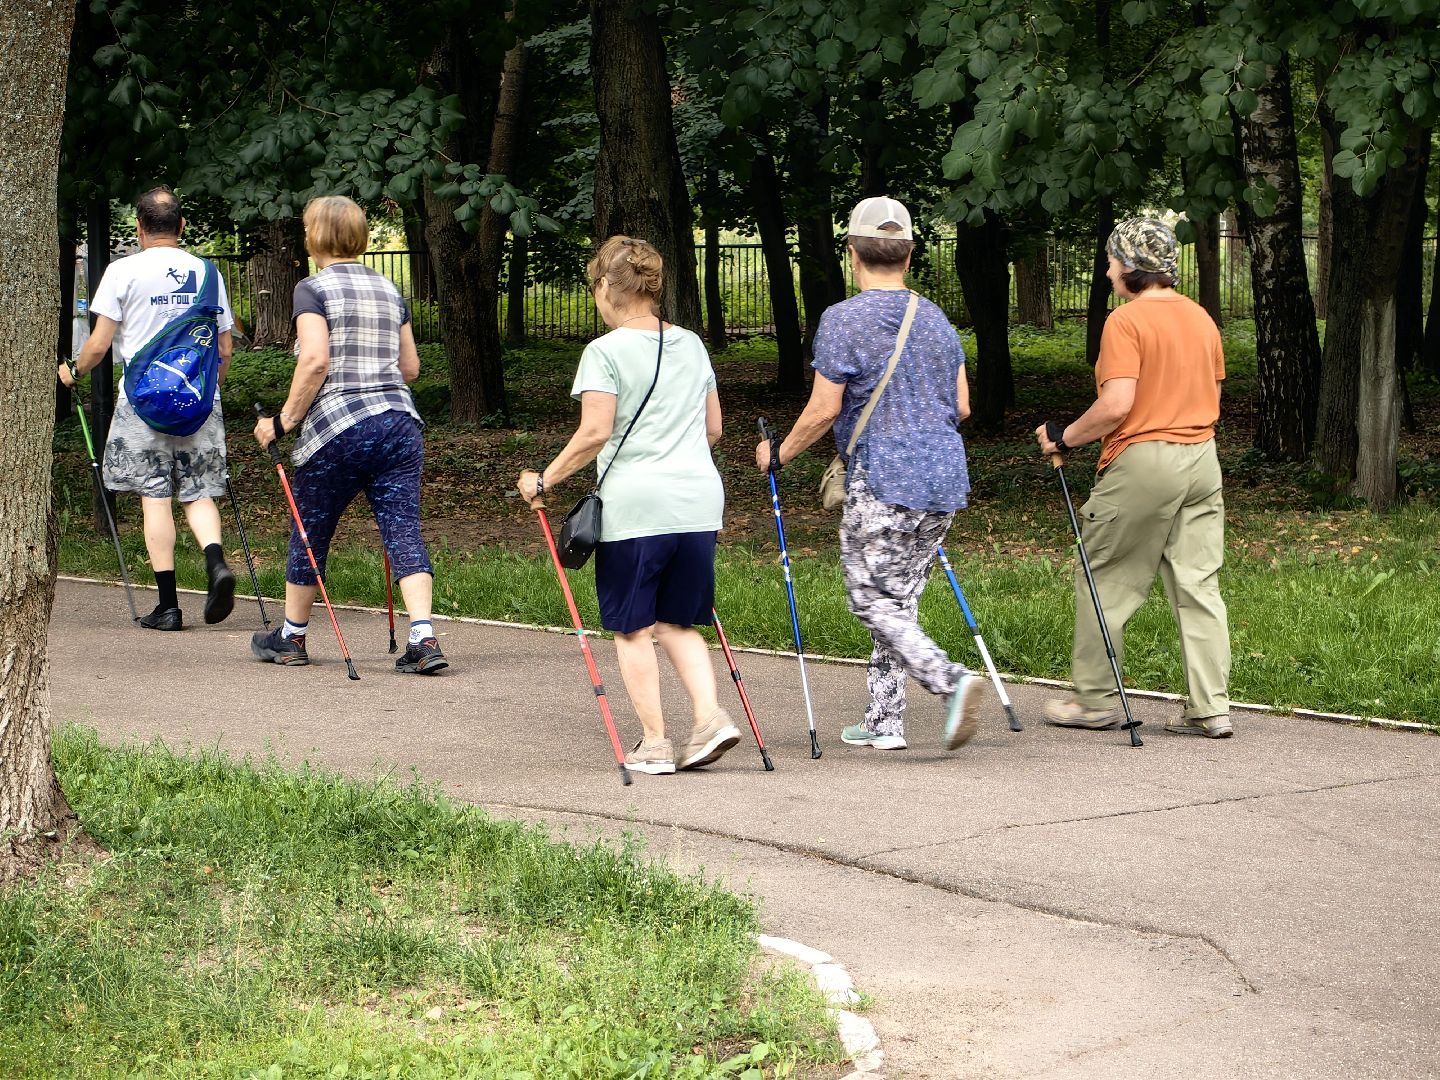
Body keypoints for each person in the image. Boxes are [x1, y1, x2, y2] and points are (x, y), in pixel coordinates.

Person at [753, 197, 984, 752]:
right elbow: (963, 406)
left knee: (870, 598)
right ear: (908, 254)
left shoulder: (843, 320)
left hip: (884, 478)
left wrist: (778, 453)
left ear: (852, 253)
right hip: (946, 479)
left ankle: (950, 681)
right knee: (898, 600)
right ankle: (885, 720)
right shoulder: (935, 320)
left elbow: (824, 409)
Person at [516, 236, 738, 776]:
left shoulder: (605, 351)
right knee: (678, 621)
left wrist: (544, 479)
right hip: (700, 501)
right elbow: (714, 429)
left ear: (605, 287)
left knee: (633, 626)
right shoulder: (691, 344)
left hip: (638, 505)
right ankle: (710, 718)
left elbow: (595, 431)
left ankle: (655, 743)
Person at [1036, 216, 1232, 738]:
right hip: (1203, 459)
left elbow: (1117, 405)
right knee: (1198, 585)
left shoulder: (1125, 322)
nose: (1106, 272)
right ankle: (1210, 710)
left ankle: (1096, 701)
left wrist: (1065, 437)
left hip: (1145, 460)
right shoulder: (1201, 319)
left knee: (1103, 575)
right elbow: (1211, 392)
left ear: (1128, 266)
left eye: (1110, 262)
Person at [250, 195, 446, 675]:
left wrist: (282, 422)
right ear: (359, 237)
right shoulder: (389, 289)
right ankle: (424, 638)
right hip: (401, 424)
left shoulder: (311, 290)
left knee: (310, 526)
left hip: (339, 427)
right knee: (401, 527)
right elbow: (411, 369)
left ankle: (292, 636)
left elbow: (314, 360)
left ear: (313, 237)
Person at [59, 186, 237, 631]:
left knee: (155, 497)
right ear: (181, 226)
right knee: (199, 491)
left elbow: (99, 345)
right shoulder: (207, 272)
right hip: (199, 400)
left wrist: (73, 372)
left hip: (141, 403)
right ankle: (216, 563)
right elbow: (225, 347)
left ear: (139, 228)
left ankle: (169, 606)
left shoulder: (122, 272)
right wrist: (207, 392)